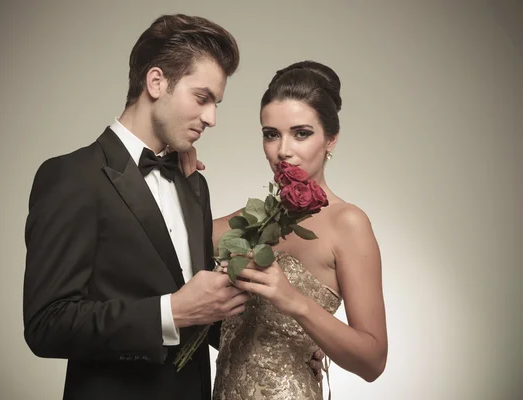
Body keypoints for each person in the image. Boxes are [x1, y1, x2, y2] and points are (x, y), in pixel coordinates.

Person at [22, 14, 251, 400]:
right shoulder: (72, 177)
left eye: (216, 103)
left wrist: (281, 345)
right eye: (202, 98)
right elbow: (47, 324)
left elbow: (198, 312)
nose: (212, 118)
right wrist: (170, 312)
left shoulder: (194, 183)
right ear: (156, 82)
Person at [182, 60, 388, 399]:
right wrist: (180, 174)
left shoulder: (348, 223)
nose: (283, 151)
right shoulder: (257, 219)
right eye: (271, 134)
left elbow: (373, 361)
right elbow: (169, 242)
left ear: (331, 139)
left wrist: (295, 302)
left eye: (301, 133)